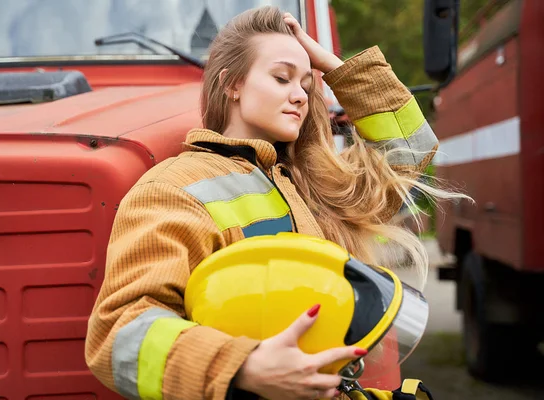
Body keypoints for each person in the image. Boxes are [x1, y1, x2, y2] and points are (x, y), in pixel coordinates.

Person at [85, 6, 460, 400]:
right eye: (281, 78)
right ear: (232, 85)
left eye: (306, 85)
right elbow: (120, 333)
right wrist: (244, 366)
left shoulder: (316, 182)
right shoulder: (174, 188)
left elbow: (410, 149)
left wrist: (333, 66)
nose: (299, 95)